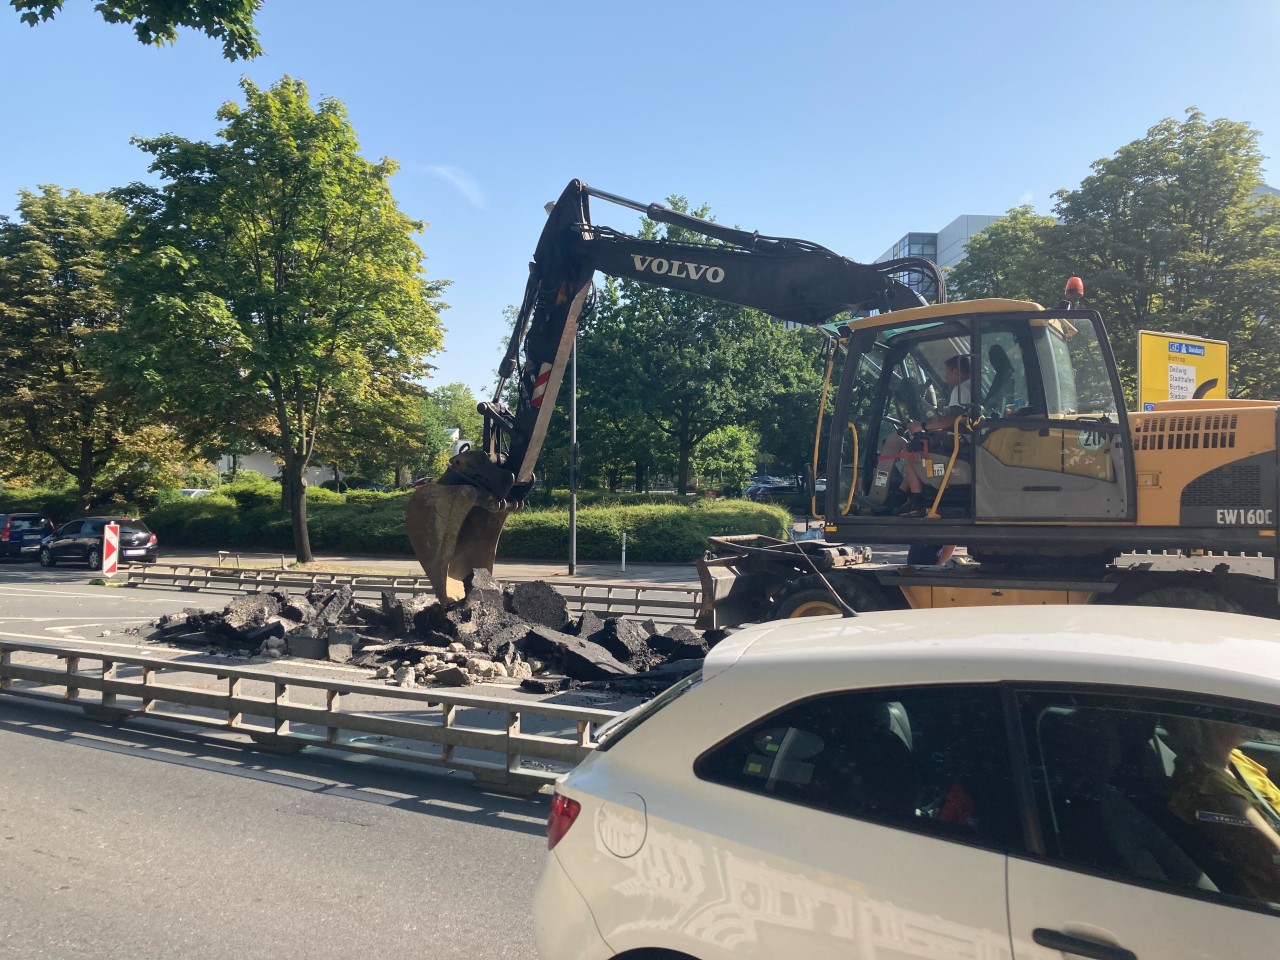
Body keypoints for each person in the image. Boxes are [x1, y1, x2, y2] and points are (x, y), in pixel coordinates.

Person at [1167, 719, 1280, 901]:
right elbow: (1275, 855)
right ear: (1210, 720)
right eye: (1242, 712)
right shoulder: (1213, 788)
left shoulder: (1234, 758)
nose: (1251, 718)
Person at [873, 355, 972, 517]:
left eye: (947, 373)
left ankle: (917, 502)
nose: (946, 378)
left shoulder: (960, 390)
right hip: (968, 441)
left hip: (961, 446)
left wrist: (922, 426)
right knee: (918, 447)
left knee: (911, 450)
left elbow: (951, 420)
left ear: (956, 371)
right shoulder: (974, 386)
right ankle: (899, 497)